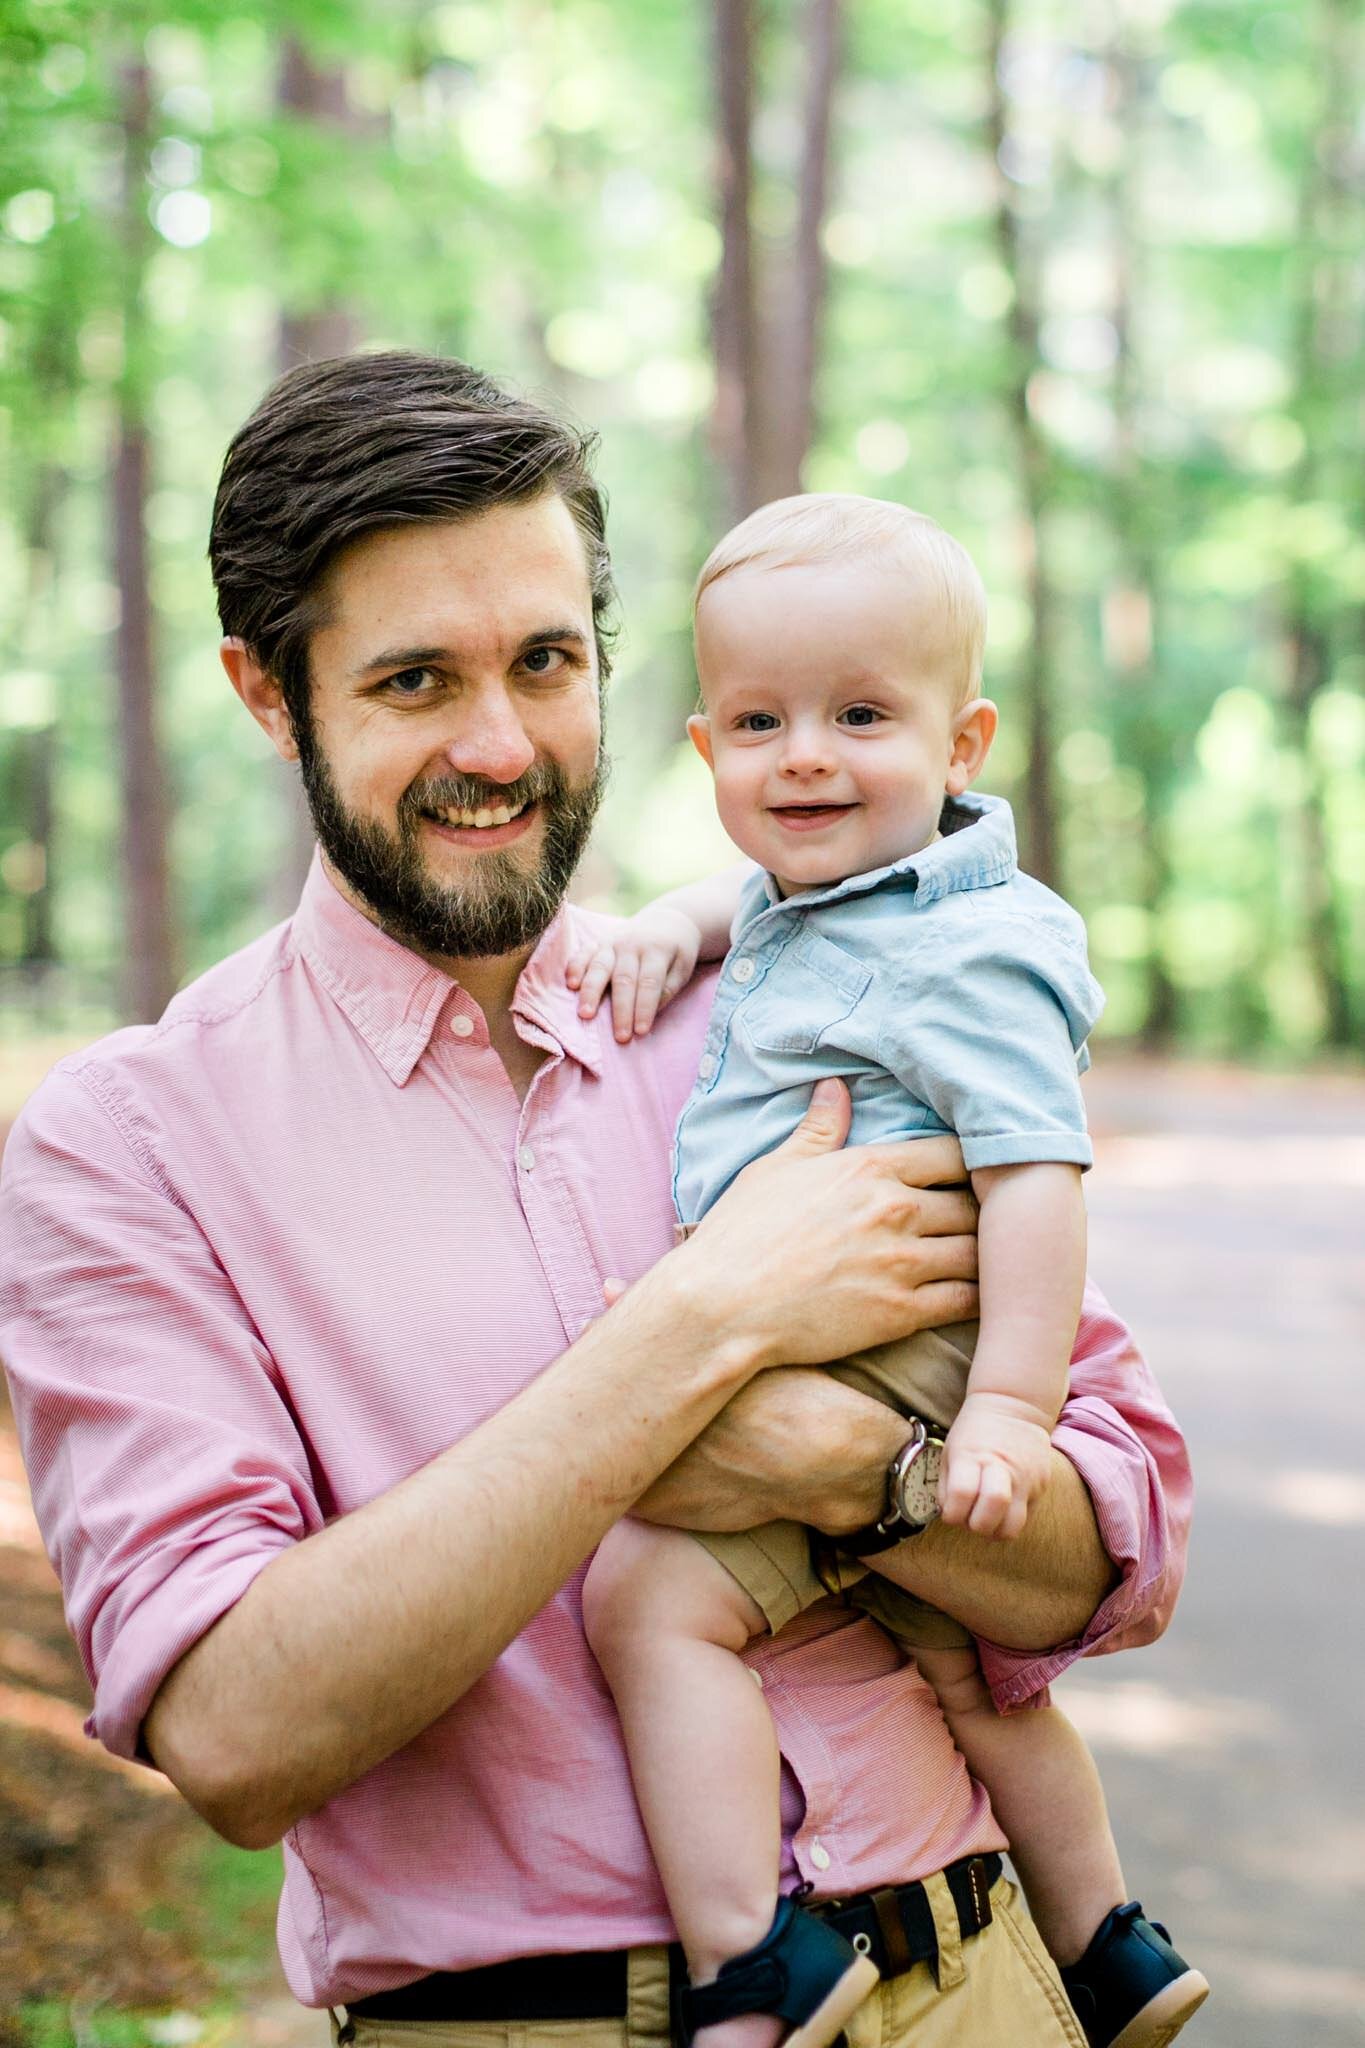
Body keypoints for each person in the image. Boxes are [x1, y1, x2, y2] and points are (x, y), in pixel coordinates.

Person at [0, 355, 1191, 2048]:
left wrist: (867, 1467)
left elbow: (1111, 1557)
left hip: (985, 1982)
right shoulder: (131, 1148)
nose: (501, 744)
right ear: (269, 695)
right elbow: (235, 1735)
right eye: (416, 680)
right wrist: (704, 1328)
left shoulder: (800, 999)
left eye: (546, 663)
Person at [569, 496, 1207, 2048]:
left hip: (898, 1351)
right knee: (975, 1674)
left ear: (962, 742)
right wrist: (675, 916)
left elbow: (1034, 1176)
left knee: (649, 1601)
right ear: (705, 744)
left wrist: (1002, 1415)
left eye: (859, 716)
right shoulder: (820, 893)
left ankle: (751, 1956)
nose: (802, 755)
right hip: (852, 1343)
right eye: (757, 721)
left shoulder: (969, 950)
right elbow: (771, 909)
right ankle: (1109, 1946)